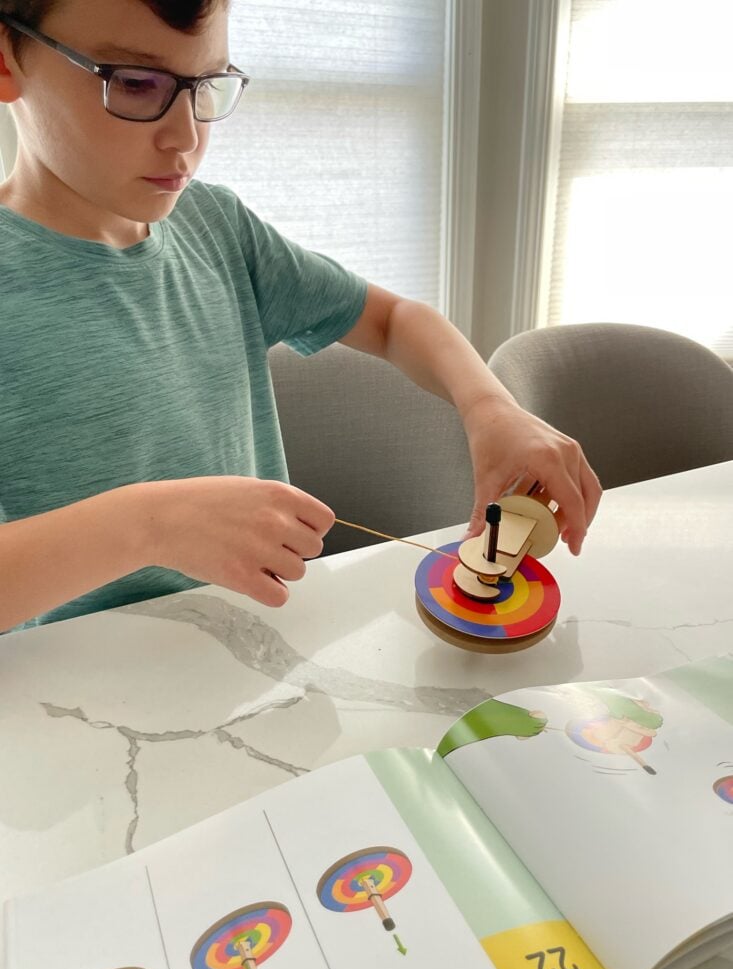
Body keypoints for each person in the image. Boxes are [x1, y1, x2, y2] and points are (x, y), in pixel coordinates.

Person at [0, 0, 602, 633]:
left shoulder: (216, 228)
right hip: (74, 706)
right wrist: (149, 524)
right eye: (134, 82)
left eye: (207, 86)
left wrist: (490, 409)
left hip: (259, 656)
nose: (186, 136)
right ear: (10, 59)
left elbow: (394, 320)